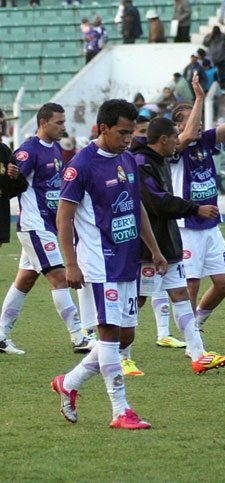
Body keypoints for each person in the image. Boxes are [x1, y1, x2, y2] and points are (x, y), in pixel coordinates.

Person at [51, 99, 167, 430]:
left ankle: (69, 382)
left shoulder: (127, 159)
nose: (128, 139)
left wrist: (154, 249)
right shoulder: (81, 164)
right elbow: (64, 217)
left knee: (124, 336)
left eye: (131, 133)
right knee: (109, 333)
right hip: (98, 264)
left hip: (127, 260)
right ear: (103, 128)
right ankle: (121, 410)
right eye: (122, 132)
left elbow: (136, 208)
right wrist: (70, 264)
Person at [131, 115, 225, 373]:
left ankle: (198, 355)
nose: (180, 141)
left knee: (180, 295)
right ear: (163, 139)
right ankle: (119, 355)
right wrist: (194, 209)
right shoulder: (142, 163)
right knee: (138, 299)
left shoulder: (161, 159)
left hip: (168, 241)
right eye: (176, 137)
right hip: (148, 246)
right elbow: (158, 202)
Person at [0, 103, 93, 356]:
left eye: (64, 122)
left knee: (25, 280)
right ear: (43, 123)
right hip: (35, 225)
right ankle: (78, 336)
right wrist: (12, 177)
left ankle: (1, 335)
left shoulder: (54, 148)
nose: (63, 127)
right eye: (59, 122)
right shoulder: (27, 151)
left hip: (48, 226)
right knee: (60, 277)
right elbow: (13, 186)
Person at [170, 68, 225, 333]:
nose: (198, 123)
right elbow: (188, 136)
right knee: (191, 283)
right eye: (192, 119)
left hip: (211, 223)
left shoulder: (206, 140)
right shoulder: (174, 147)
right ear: (178, 126)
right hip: (186, 225)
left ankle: (198, 319)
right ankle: (190, 338)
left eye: (199, 118)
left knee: (224, 281)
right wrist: (200, 98)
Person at [0, 109, 28, 247]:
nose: (0, 130)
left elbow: (17, 188)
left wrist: (16, 177)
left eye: (1, 124)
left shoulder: (4, 151)